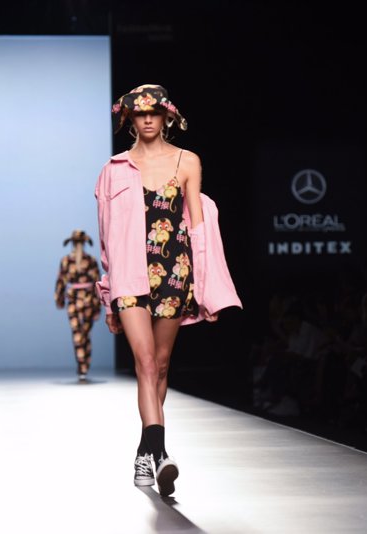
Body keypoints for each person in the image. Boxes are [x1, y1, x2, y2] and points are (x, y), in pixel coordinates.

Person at [95, 84, 242, 496]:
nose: (147, 119)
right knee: (144, 362)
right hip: (129, 276)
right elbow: (106, 237)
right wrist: (108, 296)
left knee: (160, 365)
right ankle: (159, 452)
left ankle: (145, 452)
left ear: (166, 117)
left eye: (154, 113)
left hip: (175, 272)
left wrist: (207, 287)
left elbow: (200, 230)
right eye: (140, 113)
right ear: (130, 119)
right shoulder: (113, 170)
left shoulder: (187, 161)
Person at [54, 229, 101, 382]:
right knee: (84, 334)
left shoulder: (66, 260)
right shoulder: (91, 260)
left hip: (75, 301)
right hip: (88, 301)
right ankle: (83, 366)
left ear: (72, 243)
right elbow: (98, 284)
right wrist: (99, 307)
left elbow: (60, 282)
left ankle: (82, 367)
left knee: (78, 334)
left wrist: (59, 300)